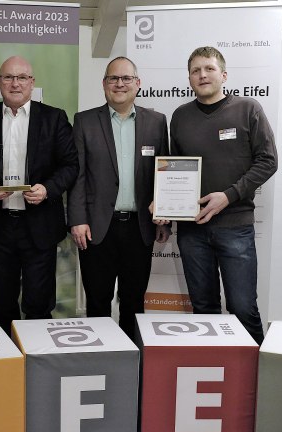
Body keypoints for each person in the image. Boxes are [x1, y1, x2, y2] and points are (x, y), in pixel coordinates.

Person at [170, 46, 278, 345]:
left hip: (235, 226)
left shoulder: (247, 109)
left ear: (224, 75)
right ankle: (214, 377)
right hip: (192, 229)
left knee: (243, 309)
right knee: (203, 309)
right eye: (195, 70)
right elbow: (174, 169)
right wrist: (166, 202)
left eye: (209, 68)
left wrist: (228, 196)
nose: (202, 75)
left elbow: (268, 161)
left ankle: (255, 382)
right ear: (189, 78)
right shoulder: (180, 117)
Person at [0, 56, 79, 336]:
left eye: (21, 78)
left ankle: (36, 364)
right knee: (3, 304)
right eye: (8, 77)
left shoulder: (54, 118)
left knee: (39, 304)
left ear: (32, 83)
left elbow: (70, 165)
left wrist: (48, 189)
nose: (14, 83)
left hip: (39, 225)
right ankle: (6, 367)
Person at [67, 56, 171, 341]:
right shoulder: (85, 121)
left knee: (134, 303)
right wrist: (77, 219)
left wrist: (165, 216)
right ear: (104, 84)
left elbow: (164, 173)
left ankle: (132, 364)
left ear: (137, 84)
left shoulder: (157, 122)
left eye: (126, 78)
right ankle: (99, 359)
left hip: (139, 228)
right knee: (98, 304)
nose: (120, 84)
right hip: (97, 229)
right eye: (113, 78)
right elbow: (78, 176)